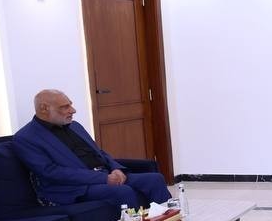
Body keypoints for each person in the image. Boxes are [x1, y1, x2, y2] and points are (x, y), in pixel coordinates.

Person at [12, 89, 172, 209]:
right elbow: (51, 172)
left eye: (70, 105)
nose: (73, 110)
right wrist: (103, 179)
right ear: (44, 109)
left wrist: (116, 169)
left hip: (104, 175)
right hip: (74, 188)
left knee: (154, 179)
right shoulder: (26, 138)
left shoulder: (74, 126)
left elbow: (99, 152)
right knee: (123, 191)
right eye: (65, 107)